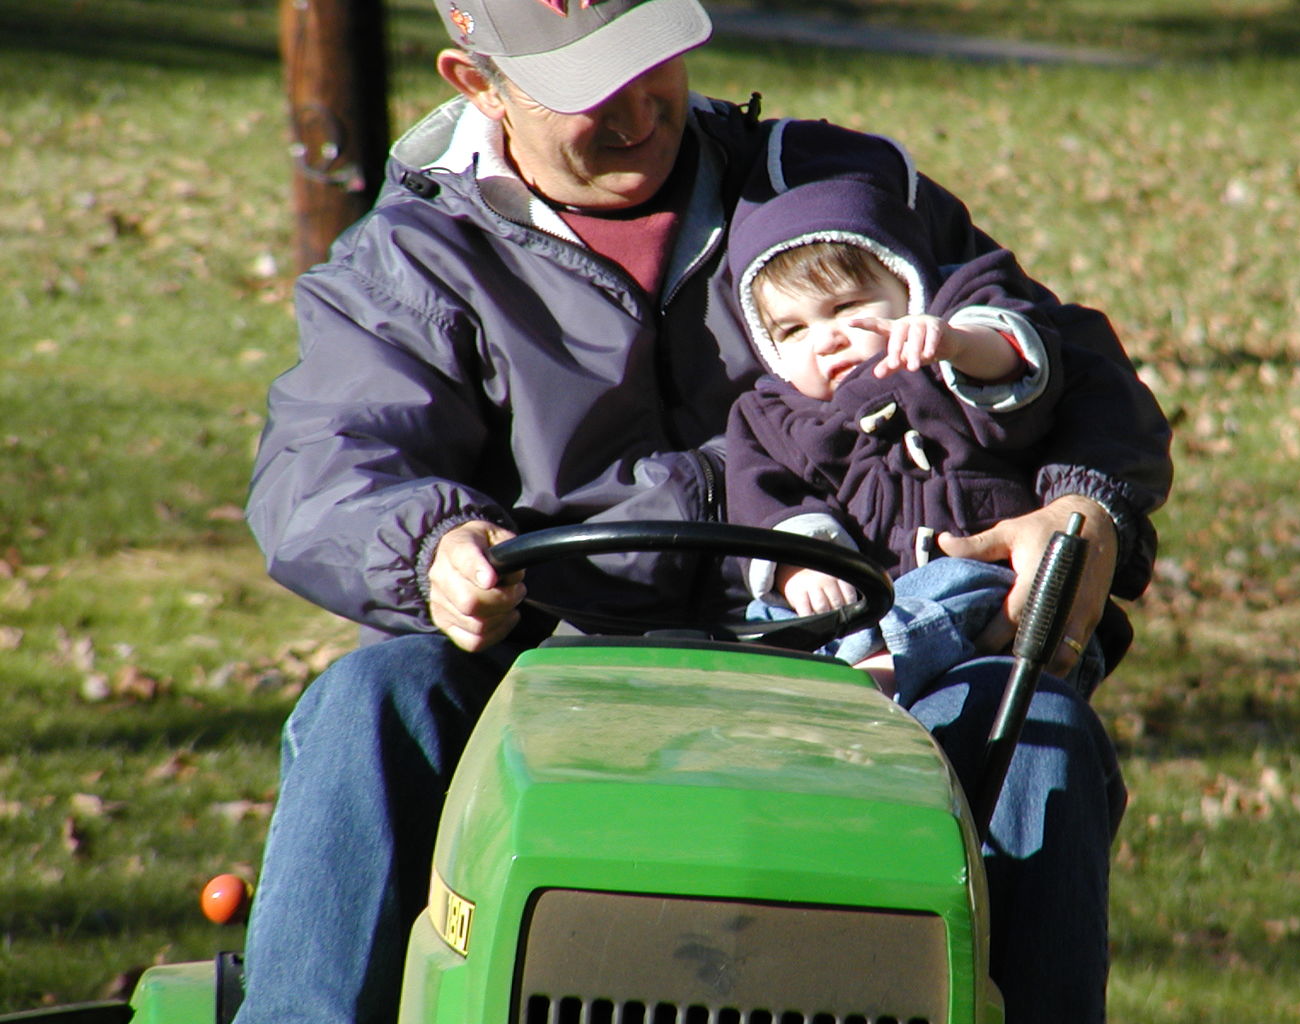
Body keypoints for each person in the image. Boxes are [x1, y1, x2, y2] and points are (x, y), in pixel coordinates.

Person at [238, 1, 1172, 1022]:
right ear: (478, 85)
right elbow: (327, 464)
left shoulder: (831, 190)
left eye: (657, 64)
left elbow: (1060, 354)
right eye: (590, 90)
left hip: (867, 650)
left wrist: (1085, 506)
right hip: (556, 656)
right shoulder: (415, 258)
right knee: (371, 700)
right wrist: (433, 546)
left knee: (1034, 732)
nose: (641, 108)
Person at [722, 177, 1109, 704]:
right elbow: (762, 496)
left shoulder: (940, 365)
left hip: (985, 597)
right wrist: (800, 564)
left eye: (844, 308)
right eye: (792, 330)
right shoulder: (774, 414)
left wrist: (957, 344)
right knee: (766, 616)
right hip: (852, 597)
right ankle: (814, 680)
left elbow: (1016, 373)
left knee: (957, 586)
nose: (825, 339)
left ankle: (879, 669)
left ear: (909, 291)